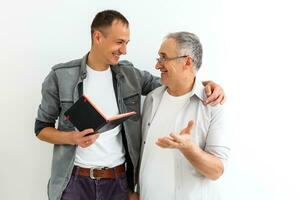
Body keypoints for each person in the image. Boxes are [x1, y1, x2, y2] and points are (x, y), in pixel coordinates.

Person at [34, 10, 225, 200]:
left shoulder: (130, 76)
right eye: (119, 42)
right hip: (74, 182)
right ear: (98, 36)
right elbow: (41, 129)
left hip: (117, 183)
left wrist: (207, 85)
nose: (124, 50)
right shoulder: (61, 76)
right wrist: (72, 138)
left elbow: (175, 84)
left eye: (126, 43)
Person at [138, 32, 230, 200]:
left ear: (187, 61)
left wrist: (189, 149)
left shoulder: (212, 105)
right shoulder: (152, 98)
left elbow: (216, 171)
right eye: (159, 58)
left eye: (164, 58)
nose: (158, 65)